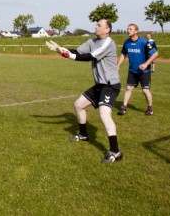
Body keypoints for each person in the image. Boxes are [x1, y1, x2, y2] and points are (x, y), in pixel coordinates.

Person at [46, 19, 123, 164]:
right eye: (96, 24)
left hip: (110, 85)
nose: (96, 26)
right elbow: (78, 52)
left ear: (107, 30)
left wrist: (68, 55)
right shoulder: (92, 41)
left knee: (104, 114)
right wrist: (62, 50)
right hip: (100, 85)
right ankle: (83, 134)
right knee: (79, 105)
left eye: (99, 25)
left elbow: (89, 57)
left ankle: (115, 151)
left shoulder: (108, 42)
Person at [117, 24, 158, 116]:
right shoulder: (126, 42)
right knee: (128, 88)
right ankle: (124, 107)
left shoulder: (144, 42)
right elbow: (123, 54)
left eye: (130, 29)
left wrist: (146, 64)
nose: (128, 30)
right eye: (127, 29)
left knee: (145, 90)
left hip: (145, 72)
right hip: (132, 71)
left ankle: (150, 108)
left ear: (136, 31)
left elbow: (155, 54)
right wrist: (118, 65)